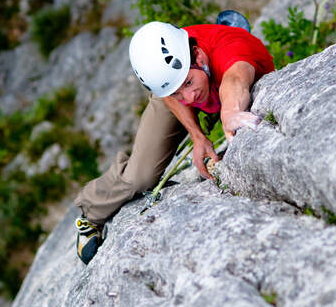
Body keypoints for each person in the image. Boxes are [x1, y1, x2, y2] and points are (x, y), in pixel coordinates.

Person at [74, 20, 274, 264]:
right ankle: (91, 212)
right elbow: (174, 90)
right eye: (178, 92)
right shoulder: (170, 77)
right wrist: (196, 134)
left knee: (222, 82)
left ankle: (213, 72)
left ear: (199, 55)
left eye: (189, 83)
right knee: (140, 177)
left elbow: (235, 80)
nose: (188, 97)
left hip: (221, 74)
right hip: (184, 77)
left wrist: (229, 112)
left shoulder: (231, 51)